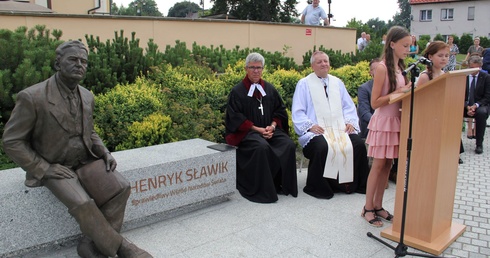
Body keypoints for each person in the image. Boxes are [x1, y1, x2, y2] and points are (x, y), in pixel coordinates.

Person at [2, 41, 152, 258]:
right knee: (83, 203)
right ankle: (122, 248)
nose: (79, 65)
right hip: (54, 166)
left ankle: (90, 245)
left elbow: (89, 132)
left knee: (121, 187)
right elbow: (12, 141)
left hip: (85, 160)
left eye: (83, 61)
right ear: (58, 63)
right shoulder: (32, 97)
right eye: (73, 59)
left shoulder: (86, 95)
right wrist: (43, 168)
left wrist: (104, 152)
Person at [291, 51, 369, 199]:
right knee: (322, 147)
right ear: (312, 65)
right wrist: (309, 126)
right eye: (319, 62)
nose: (323, 64)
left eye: (326, 61)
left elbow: (348, 107)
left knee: (358, 144)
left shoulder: (337, 83)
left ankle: (353, 184)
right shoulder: (304, 84)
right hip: (317, 130)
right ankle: (322, 187)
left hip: (340, 129)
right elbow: (298, 111)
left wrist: (350, 122)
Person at [224, 52, 298, 203]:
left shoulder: (269, 89)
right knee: (261, 147)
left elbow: (280, 110)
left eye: (259, 67)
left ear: (263, 69)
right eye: (252, 67)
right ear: (246, 69)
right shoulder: (237, 91)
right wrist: (257, 129)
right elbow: (235, 117)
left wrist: (272, 126)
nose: (256, 71)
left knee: (288, 144)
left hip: (269, 130)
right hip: (247, 133)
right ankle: (263, 189)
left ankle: (282, 184)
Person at [362, 26, 412, 227]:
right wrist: (400, 92)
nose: (408, 49)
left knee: (388, 165)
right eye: (405, 45)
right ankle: (367, 208)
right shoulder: (382, 67)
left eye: (410, 45)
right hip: (384, 122)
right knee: (378, 165)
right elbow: (375, 102)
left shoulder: (401, 68)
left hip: (396, 121)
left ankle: (378, 205)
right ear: (392, 44)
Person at [417, 41, 465, 164]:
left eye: (446, 55)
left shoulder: (444, 74)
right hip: (429, 122)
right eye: (440, 55)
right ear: (430, 56)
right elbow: (419, 102)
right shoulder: (425, 77)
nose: (444, 58)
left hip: (442, 120)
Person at [464, 55, 490, 154]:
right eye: (471, 68)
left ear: (480, 67)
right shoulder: (463, 76)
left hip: (480, 104)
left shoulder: (486, 77)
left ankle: (479, 144)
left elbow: (487, 96)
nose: (474, 70)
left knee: (482, 113)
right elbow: (459, 94)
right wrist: (467, 106)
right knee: (454, 110)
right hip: (465, 104)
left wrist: (475, 105)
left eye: (477, 68)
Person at [357, 58, 381, 139]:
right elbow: (364, 113)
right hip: (371, 129)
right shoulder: (364, 88)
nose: (380, 71)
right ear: (370, 72)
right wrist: (380, 123)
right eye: (376, 69)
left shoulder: (390, 87)